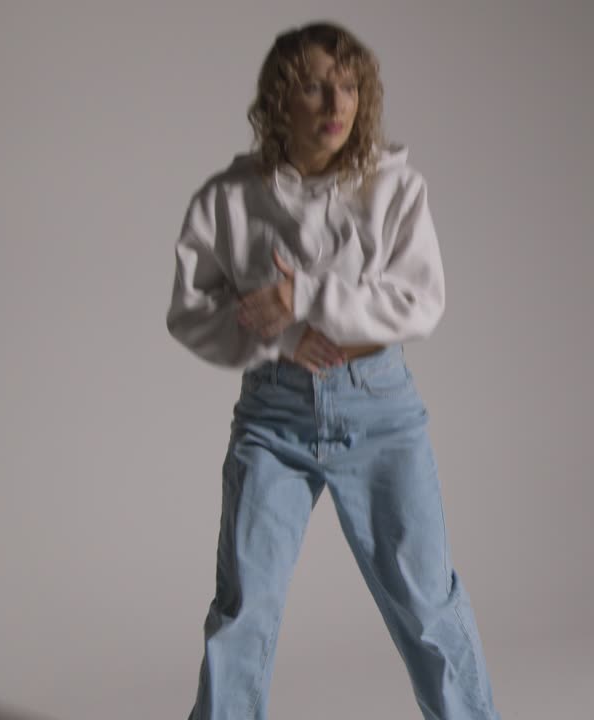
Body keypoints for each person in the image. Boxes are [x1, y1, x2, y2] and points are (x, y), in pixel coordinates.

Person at [165, 21, 502, 720]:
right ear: (279, 99)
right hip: (274, 417)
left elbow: (420, 302)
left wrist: (305, 298)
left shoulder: (395, 187)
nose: (335, 104)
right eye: (316, 87)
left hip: (380, 412)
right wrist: (280, 336)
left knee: (428, 608)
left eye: (348, 87)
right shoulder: (232, 197)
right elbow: (190, 309)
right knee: (243, 610)